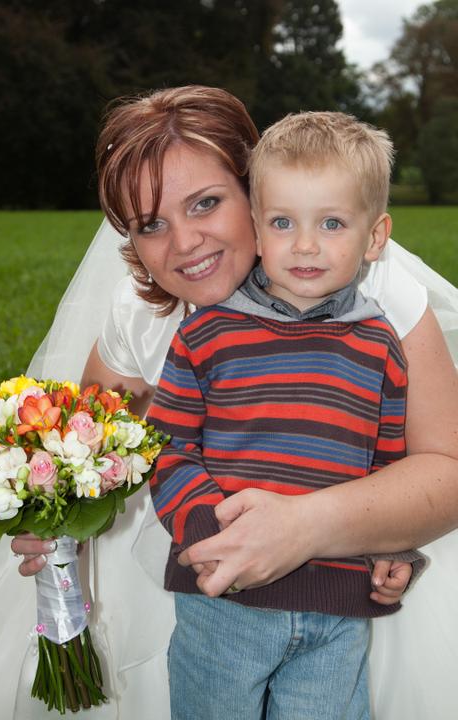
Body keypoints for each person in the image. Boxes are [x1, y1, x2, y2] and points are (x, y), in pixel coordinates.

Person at [0, 86, 457, 720]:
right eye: (151, 224)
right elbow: (90, 444)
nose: (184, 244)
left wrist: (311, 527)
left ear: (254, 191)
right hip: (203, 564)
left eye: (206, 203)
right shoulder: (144, 316)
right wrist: (60, 513)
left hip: (348, 565)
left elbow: (438, 464)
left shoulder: (362, 280)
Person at [146, 110, 425, 719]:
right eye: (282, 222)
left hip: (337, 609)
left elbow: (388, 467)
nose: (304, 245)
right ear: (256, 227)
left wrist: (395, 548)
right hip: (224, 604)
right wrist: (209, 531)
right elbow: (166, 448)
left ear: (375, 236)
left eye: (332, 223)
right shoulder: (207, 335)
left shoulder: (380, 344)